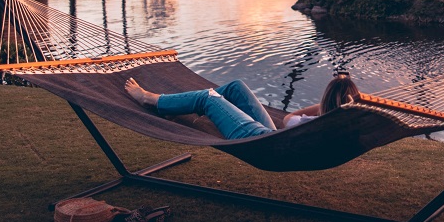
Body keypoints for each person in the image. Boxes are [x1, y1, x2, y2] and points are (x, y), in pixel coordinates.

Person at [124, 71, 360, 140]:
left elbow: (288, 119)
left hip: (263, 143)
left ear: (327, 99)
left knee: (209, 97)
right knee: (237, 87)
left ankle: (149, 98)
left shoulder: (315, 120)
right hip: (273, 138)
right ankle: (175, 107)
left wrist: (319, 107)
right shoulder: (349, 125)